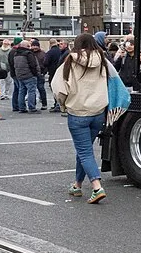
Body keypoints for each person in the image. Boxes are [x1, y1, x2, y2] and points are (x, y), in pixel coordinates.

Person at [51, 33, 111, 203]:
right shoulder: (103, 60)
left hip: (78, 111)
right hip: (98, 112)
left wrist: (63, 104)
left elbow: (58, 88)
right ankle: (77, 185)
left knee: (84, 151)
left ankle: (97, 187)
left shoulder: (70, 61)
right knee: (85, 150)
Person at [12, 39, 40, 113]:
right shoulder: (28, 53)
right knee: (31, 91)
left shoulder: (16, 53)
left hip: (20, 75)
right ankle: (32, 107)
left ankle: (22, 108)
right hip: (29, 75)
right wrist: (35, 74)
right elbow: (33, 65)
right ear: (27, 46)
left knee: (21, 92)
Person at [31, 39, 48, 110]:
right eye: (33, 45)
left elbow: (46, 64)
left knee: (41, 89)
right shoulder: (29, 53)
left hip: (40, 73)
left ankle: (44, 104)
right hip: (32, 74)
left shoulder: (43, 53)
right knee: (32, 90)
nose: (35, 47)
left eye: (36, 46)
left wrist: (44, 72)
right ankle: (33, 104)